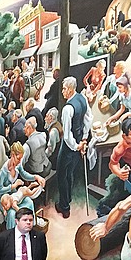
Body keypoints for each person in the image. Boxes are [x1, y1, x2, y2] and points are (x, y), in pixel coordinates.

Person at [55, 76, 92, 219]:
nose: (63, 92)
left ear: (70, 90)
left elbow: (67, 135)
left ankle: (64, 207)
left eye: (64, 89)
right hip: (78, 142)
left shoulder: (67, 109)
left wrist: (77, 146)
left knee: (61, 175)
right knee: (69, 172)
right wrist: (83, 138)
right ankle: (68, 200)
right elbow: (88, 118)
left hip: (70, 146)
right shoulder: (82, 98)